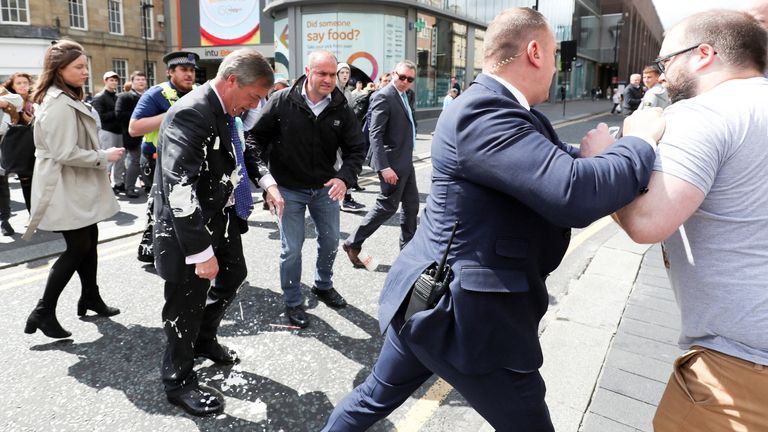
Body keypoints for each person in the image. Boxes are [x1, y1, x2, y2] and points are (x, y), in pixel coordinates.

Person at [322, 7, 665, 431]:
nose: (558, 69)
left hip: (428, 301)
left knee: (372, 397)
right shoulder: (484, 111)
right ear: (535, 51)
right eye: (556, 55)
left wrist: (595, 159)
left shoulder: (499, 108)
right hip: (464, 318)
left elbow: (545, 165)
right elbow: (573, 192)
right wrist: (639, 142)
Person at [611, 10, 768, 431]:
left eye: (666, 62)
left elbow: (646, 223)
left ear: (703, 54)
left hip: (738, 369)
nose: (662, 76)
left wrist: (618, 151)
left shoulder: (705, 114)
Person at [152, 48, 274, 417]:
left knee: (235, 274)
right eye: (253, 96)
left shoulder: (222, 107)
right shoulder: (194, 111)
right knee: (185, 303)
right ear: (232, 80)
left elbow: (233, 155)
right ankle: (178, 380)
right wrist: (200, 251)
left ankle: (203, 340)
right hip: (187, 228)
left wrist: (265, 183)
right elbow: (178, 185)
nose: (254, 105)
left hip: (217, 217)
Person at [246, 50, 366, 329]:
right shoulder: (282, 100)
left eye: (332, 74)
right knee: (292, 249)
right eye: (321, 73)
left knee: (330, 240)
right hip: (288, 189)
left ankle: (323, 285)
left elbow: (356, 149)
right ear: (307, 71)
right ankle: (292, 300)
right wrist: (267, 182)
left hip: (326, 189)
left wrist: (344, 178)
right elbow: (254, 141)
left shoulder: (340, 105)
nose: (327, 79)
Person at [22, 40, 125, 339]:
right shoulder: (57, 104)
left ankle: (90, 296)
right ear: (59, 69)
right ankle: (43, 311)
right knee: (78, 246)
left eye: (85, 66)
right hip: (63, 182)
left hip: (75, 181)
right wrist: (103, 157)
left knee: (89, 239)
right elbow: (65, 152)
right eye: (78, 67)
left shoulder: (67, 97)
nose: (85, 71)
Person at [342, 60, 420, 268]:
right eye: (401, 77)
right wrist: (383, 167)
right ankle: (353, 242)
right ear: (394, 73)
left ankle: (407, 252)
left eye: (409, 79)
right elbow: (374, 134)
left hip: (405, 161)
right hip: (392, 163)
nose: (404, 82)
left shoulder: (405, 95)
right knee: (387, 206)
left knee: (411, 207)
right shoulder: (383, 96)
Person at [129, 51, 198, 263]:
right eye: (183, 70)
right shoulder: (156, 94)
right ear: (170, 72)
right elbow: (134, 128)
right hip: (156, 159)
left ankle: (177, 249)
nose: (189, 74)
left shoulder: (197, 92)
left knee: (184, 205)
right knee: (159, 207)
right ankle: (153, 249)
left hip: (187, 159)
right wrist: (172, 112)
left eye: (192, 70)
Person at [0, 72, 36, 233]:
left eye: (25, 83)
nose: (22, 86)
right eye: (18, 83)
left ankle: (35, 215)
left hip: (33, 144)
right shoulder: (12, 100)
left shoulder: (34, 99)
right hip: (17, 145)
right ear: (12, 86)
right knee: (23, 180)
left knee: (35, 183)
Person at [336, 62, 366, 209]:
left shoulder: (348, 92)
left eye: (347, 73)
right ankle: (340, 199)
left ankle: (346, 198)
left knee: (346, 164)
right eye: (342, 72)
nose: (345, 75)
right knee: (336, 166)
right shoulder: (332, 90)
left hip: (345, 134)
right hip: (332, 133)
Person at [115, 71, 147, 198]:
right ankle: (130, 188)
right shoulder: (124, 96)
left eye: (143, 79)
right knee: (136, 161)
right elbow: (119, 114)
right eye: (138, 79)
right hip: (133, 136)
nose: (141, 81)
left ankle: (148, 184)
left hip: (150, 135)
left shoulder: (150, 95)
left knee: (147, 162)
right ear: (132, 82)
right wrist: (140, 116)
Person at [92, 71, 125, 193]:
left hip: (119, 131)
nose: (114, 82)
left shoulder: (117, 97)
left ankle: (118, 183)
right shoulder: (99, 97)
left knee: (120, 159)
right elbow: (99, 116)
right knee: (107, 159)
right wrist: (116, 112)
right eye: (111, 80)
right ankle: (105, 185)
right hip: (107, 131)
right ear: (105, 81)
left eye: (116, 80)